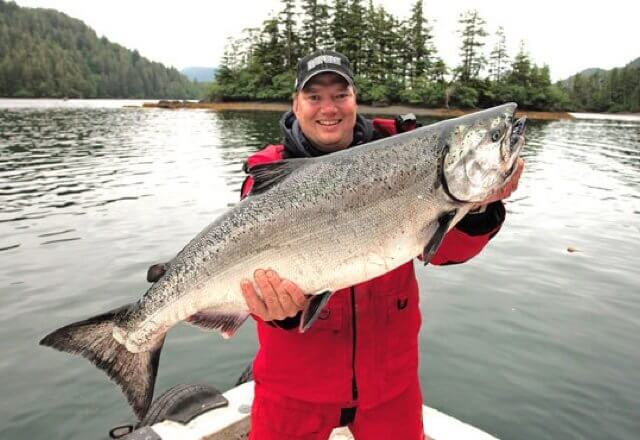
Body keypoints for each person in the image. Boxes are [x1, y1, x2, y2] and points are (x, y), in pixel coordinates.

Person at [239, 50, 524, 440]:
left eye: (340, 95)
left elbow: (443, 251)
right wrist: (280, 313)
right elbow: (242, 276)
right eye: (315, 96)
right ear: (296, 104)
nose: (329, 108)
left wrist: (478, 209)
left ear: (355, 99)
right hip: (293, 385)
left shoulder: (405, 152)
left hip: (390, 383)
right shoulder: (268, 180)